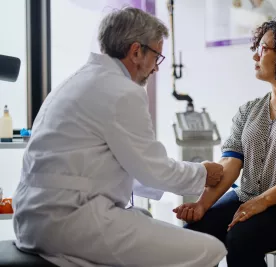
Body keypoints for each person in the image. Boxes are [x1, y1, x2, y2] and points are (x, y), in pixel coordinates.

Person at [12, 7, 227, 267]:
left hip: (35, 218)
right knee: (211, 249)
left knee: (145, 224)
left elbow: (121, 167)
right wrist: (204, 173)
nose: (156, 69)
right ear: (136, 51)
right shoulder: (122, 91)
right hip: (69, 220)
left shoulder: (78, 80)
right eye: (157, 57)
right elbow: (154, 170)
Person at [174, 19, 276, 267]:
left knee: (241, 238)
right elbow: (230, 162)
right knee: (194, 231)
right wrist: (201, 205)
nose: (254, 56)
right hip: (247, 195)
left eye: (263, 49)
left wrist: (261, 202)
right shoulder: (249, 110)